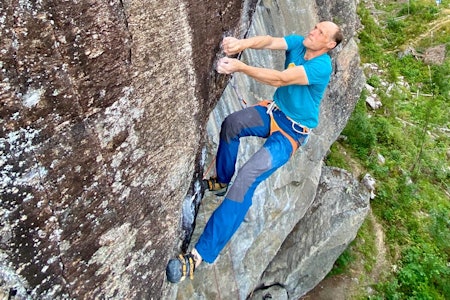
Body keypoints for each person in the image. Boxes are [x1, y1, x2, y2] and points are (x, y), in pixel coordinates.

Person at [166, 21, 343, 283]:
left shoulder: (321, 66)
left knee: (248, 177)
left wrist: (241, 67)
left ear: (330, 45)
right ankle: (222, 181)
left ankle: (198, 257)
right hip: (274, 112)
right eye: (315, 27)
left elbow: (281, 78)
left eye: (320, 33)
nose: (313, 32)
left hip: (290, 134)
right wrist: (242, 44)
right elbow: (270, 41)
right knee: (232, 124)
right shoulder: (299, 43)